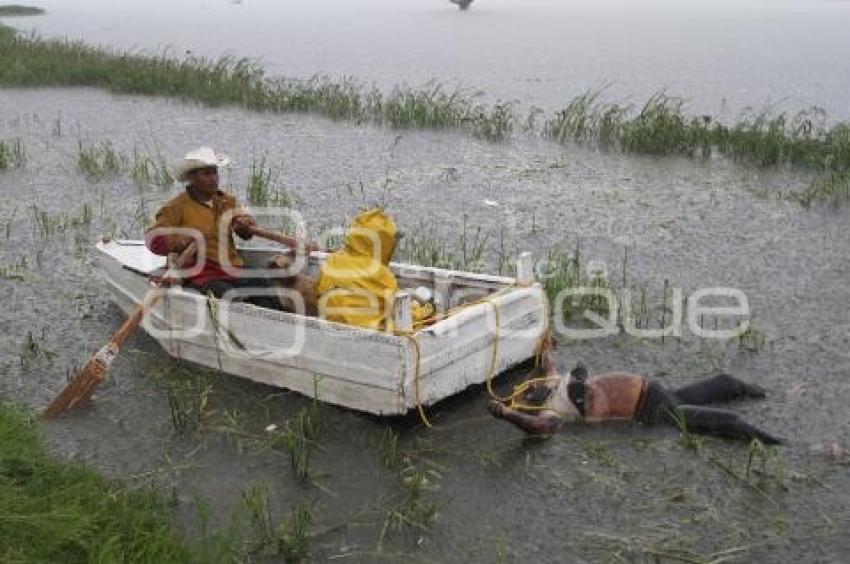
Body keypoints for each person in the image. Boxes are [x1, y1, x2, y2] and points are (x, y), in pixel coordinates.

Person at [488, 335, 783, 444]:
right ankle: (788, 446)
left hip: (658, 392)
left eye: (527, 388)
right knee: (728, 422)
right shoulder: (554, 412)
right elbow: (539, 429)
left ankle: (776, 396)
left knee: (726, 383)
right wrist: (506, 414)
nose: (528, 391)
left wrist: (545, 344)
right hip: (656, 411)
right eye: (525, 396)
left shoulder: (552, 383)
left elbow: (549, 364)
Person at [145, 146, 301, 309]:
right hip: (202, 274)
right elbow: (153, 240)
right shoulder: (177, 207)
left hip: (232, 268)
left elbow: (245, 232)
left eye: (215, 173)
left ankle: (279, 320)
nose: (213, 179)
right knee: (226, 294)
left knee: (262, 281)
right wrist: (185, 240)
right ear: (192, 178)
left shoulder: (227, 201)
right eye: (206, 174)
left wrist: (244, 224)